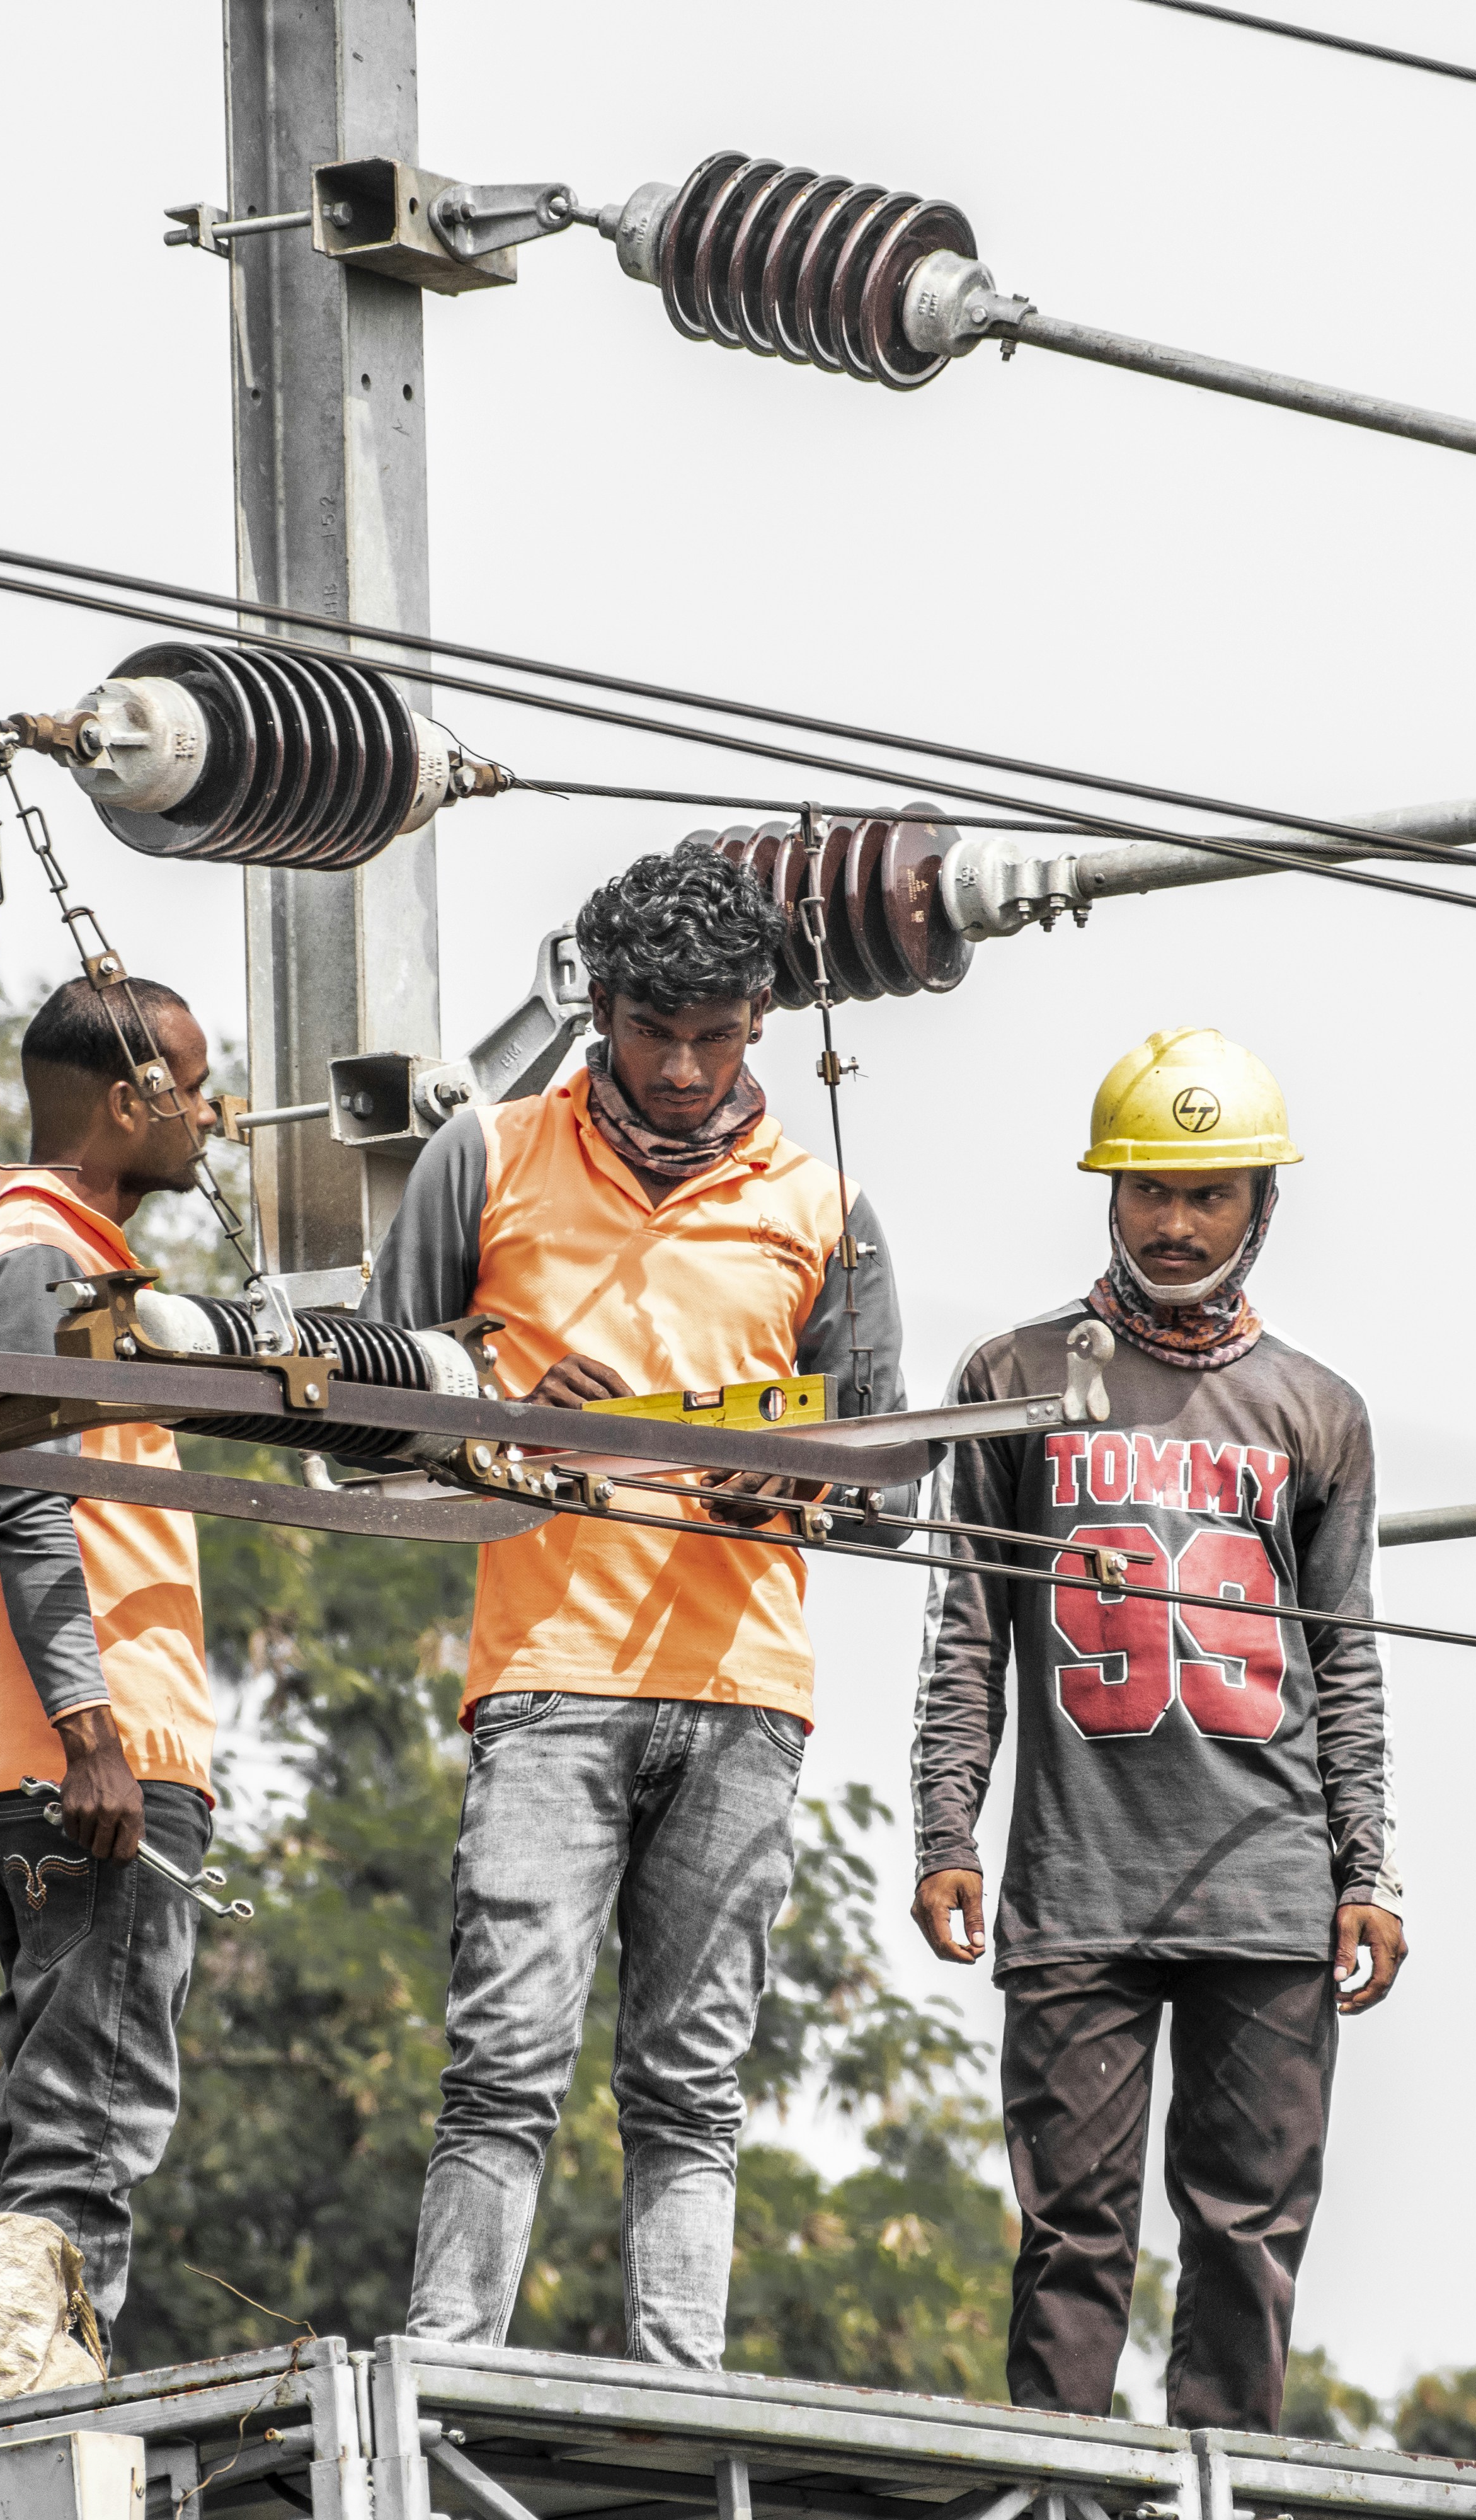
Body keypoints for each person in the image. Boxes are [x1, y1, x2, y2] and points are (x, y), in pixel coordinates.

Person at [365, 838, 907, 2367]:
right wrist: (495, 1402)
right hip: (548, 1671)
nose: (679, 1068)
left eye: (713, 1035)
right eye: (650, 1031)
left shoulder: (822, 1207)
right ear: (597, 1007)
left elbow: (885, 1473)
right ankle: (448, 2368)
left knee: (691, 2080)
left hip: (742, 1689)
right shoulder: (485, 1155)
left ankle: (680, 2389)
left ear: (760, 1024)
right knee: (505, 2059)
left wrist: (791, 1477)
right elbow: (356, 1399)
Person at [910, 1026, 1404, 2430]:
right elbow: (965, 1626)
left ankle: (1220, 2484)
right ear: (1107, 1195)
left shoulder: (1317, 1410)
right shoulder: (1013, 1374)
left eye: (1206, 1195)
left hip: (1266, 1883)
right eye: (1145, 1191)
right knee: (1070, 2234)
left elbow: (1346, 1661)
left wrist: (1364, 1867)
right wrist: (945, 1825)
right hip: (1078, 1884)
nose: (1172, 1224)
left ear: (1259, 1205)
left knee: (1245, 2232)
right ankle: (1059, 2483)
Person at [0, 971, 223, 2345]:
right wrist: (93, 1731)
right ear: (129, 1101)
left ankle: (11, 2390)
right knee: (85, 2129)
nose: (215, 1114)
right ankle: (47, 2428)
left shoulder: (40, 1263)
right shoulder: (39, 1259)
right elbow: (25, 1494)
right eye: (198, 1085)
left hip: (34, 1760)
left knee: (43, 2120)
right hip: (95, 1760)